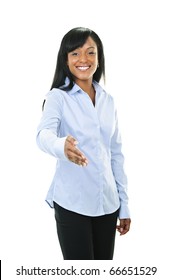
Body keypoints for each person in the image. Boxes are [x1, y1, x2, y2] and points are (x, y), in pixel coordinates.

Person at [36, 27, 131, 260]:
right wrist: (61, 146)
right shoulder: (58, 97)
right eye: (75, 54)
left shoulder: (108, 101)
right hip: (72, 204)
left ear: (99, 58)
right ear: (65, 60)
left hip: (108, 205)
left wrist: (124, 205)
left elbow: (116, 155)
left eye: (90, 52)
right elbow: (43, 135)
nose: (83, 60)